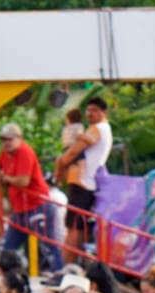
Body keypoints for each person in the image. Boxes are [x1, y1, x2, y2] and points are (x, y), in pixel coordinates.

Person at [0, 123, 60, 273]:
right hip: (20, 210)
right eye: (3, 139)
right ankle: (3, 276)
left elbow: (23, 181)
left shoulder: (25, 152)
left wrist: (5, 178)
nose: (6, 143)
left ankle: (59, 274)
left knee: (49, 247)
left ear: (19, 138)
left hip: (38, 205)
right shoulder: (5, 154)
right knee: (6, 248)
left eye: (10, 139)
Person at [56, 97, 113, 254]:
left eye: (94, 110)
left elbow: (73, 152)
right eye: (88, 110)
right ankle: (72, 262)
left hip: (82, 182)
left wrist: (60, 164)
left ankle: (66, 263)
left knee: (73, 228)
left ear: (104, 112)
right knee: (79, 227)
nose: (90, 113)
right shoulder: (105, 129)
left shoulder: (97, 128)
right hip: (89, 183)